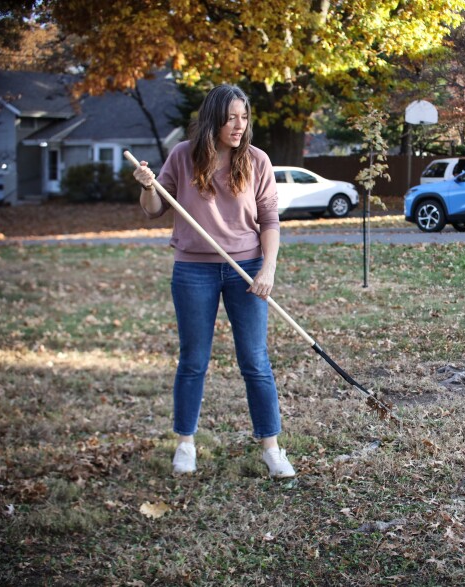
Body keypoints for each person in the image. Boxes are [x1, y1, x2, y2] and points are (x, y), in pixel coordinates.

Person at [131, 84, 295, 479]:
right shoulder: (183, 157)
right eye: (231, 117)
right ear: (213, 119)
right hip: (193, 270)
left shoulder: (256, 160)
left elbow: (270, 221)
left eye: (244, 117)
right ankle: (186, 444)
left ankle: (271, 448)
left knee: (255, 361)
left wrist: (267, 269)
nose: (239, 125)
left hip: (246, 269)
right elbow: (155, 209)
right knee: (193, 360)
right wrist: (147, 185)